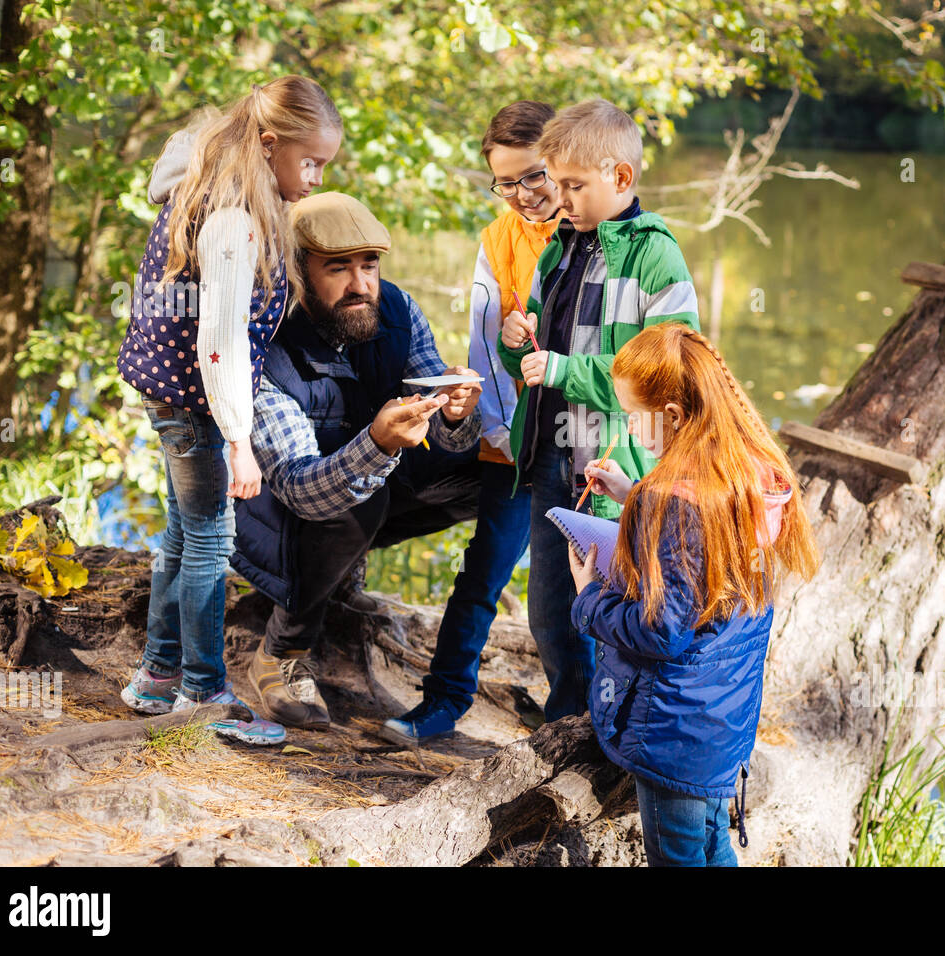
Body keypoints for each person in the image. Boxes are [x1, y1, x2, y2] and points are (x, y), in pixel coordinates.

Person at [118, 75, 343, 746]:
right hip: (193, 401)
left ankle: (157, 676)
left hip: (174, 391)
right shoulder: (234, 222)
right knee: (211, 538)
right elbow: (219, 343)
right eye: (309, 161)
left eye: (324, 164)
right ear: (269, 144)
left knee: (184, 534)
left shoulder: (215, 177)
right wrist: (240, 441)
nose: (315, 177)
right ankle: (203, 691)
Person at [226, 191, 484, 731]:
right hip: (269, 509)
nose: (361, 284)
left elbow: (439, 422)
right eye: (338, 268)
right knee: (352, 504)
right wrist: (380, 443)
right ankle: (281, 651)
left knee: (487, 475)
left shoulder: (397, 309)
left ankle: (339, 579)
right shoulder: (266, 341)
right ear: (297, 272)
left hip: (360, 484)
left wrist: (454, 415)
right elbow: (299, 488)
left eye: (369, 265)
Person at [568, 323, 821, 867]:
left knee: (680, 855)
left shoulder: (676, 501)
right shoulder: (744, 478)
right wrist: (634, 497)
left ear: (675, 417)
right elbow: (701, 550)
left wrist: (589, 596)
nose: (630, 428)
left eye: (634, 416)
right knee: (713, 844)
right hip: (721, 720)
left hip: (675, 730)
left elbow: (663, 630)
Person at [497, 98, 699, 721]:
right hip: (549, 455)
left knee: (610, 609)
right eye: (555, 184)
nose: (560, 199)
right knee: (551, 612)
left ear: (621, 178)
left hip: (613, 465)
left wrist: (563, 369)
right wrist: (517, 346)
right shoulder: (558, 249)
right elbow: (533, 367)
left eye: (574, 186)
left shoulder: (654, 255)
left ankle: (604, 733)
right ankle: (566, 724)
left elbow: (666, 377)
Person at [379, 100, 563, 745]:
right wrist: (491, 426)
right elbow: (485, 343)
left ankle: (573, 716)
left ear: (564, 160)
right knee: (483, 574)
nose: (522, 194)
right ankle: (443, 702)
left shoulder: (600, 232)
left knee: (574, 588)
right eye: (506, 182)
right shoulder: (498, 239)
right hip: (512, 442)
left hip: (587, 447)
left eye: (533, 176)